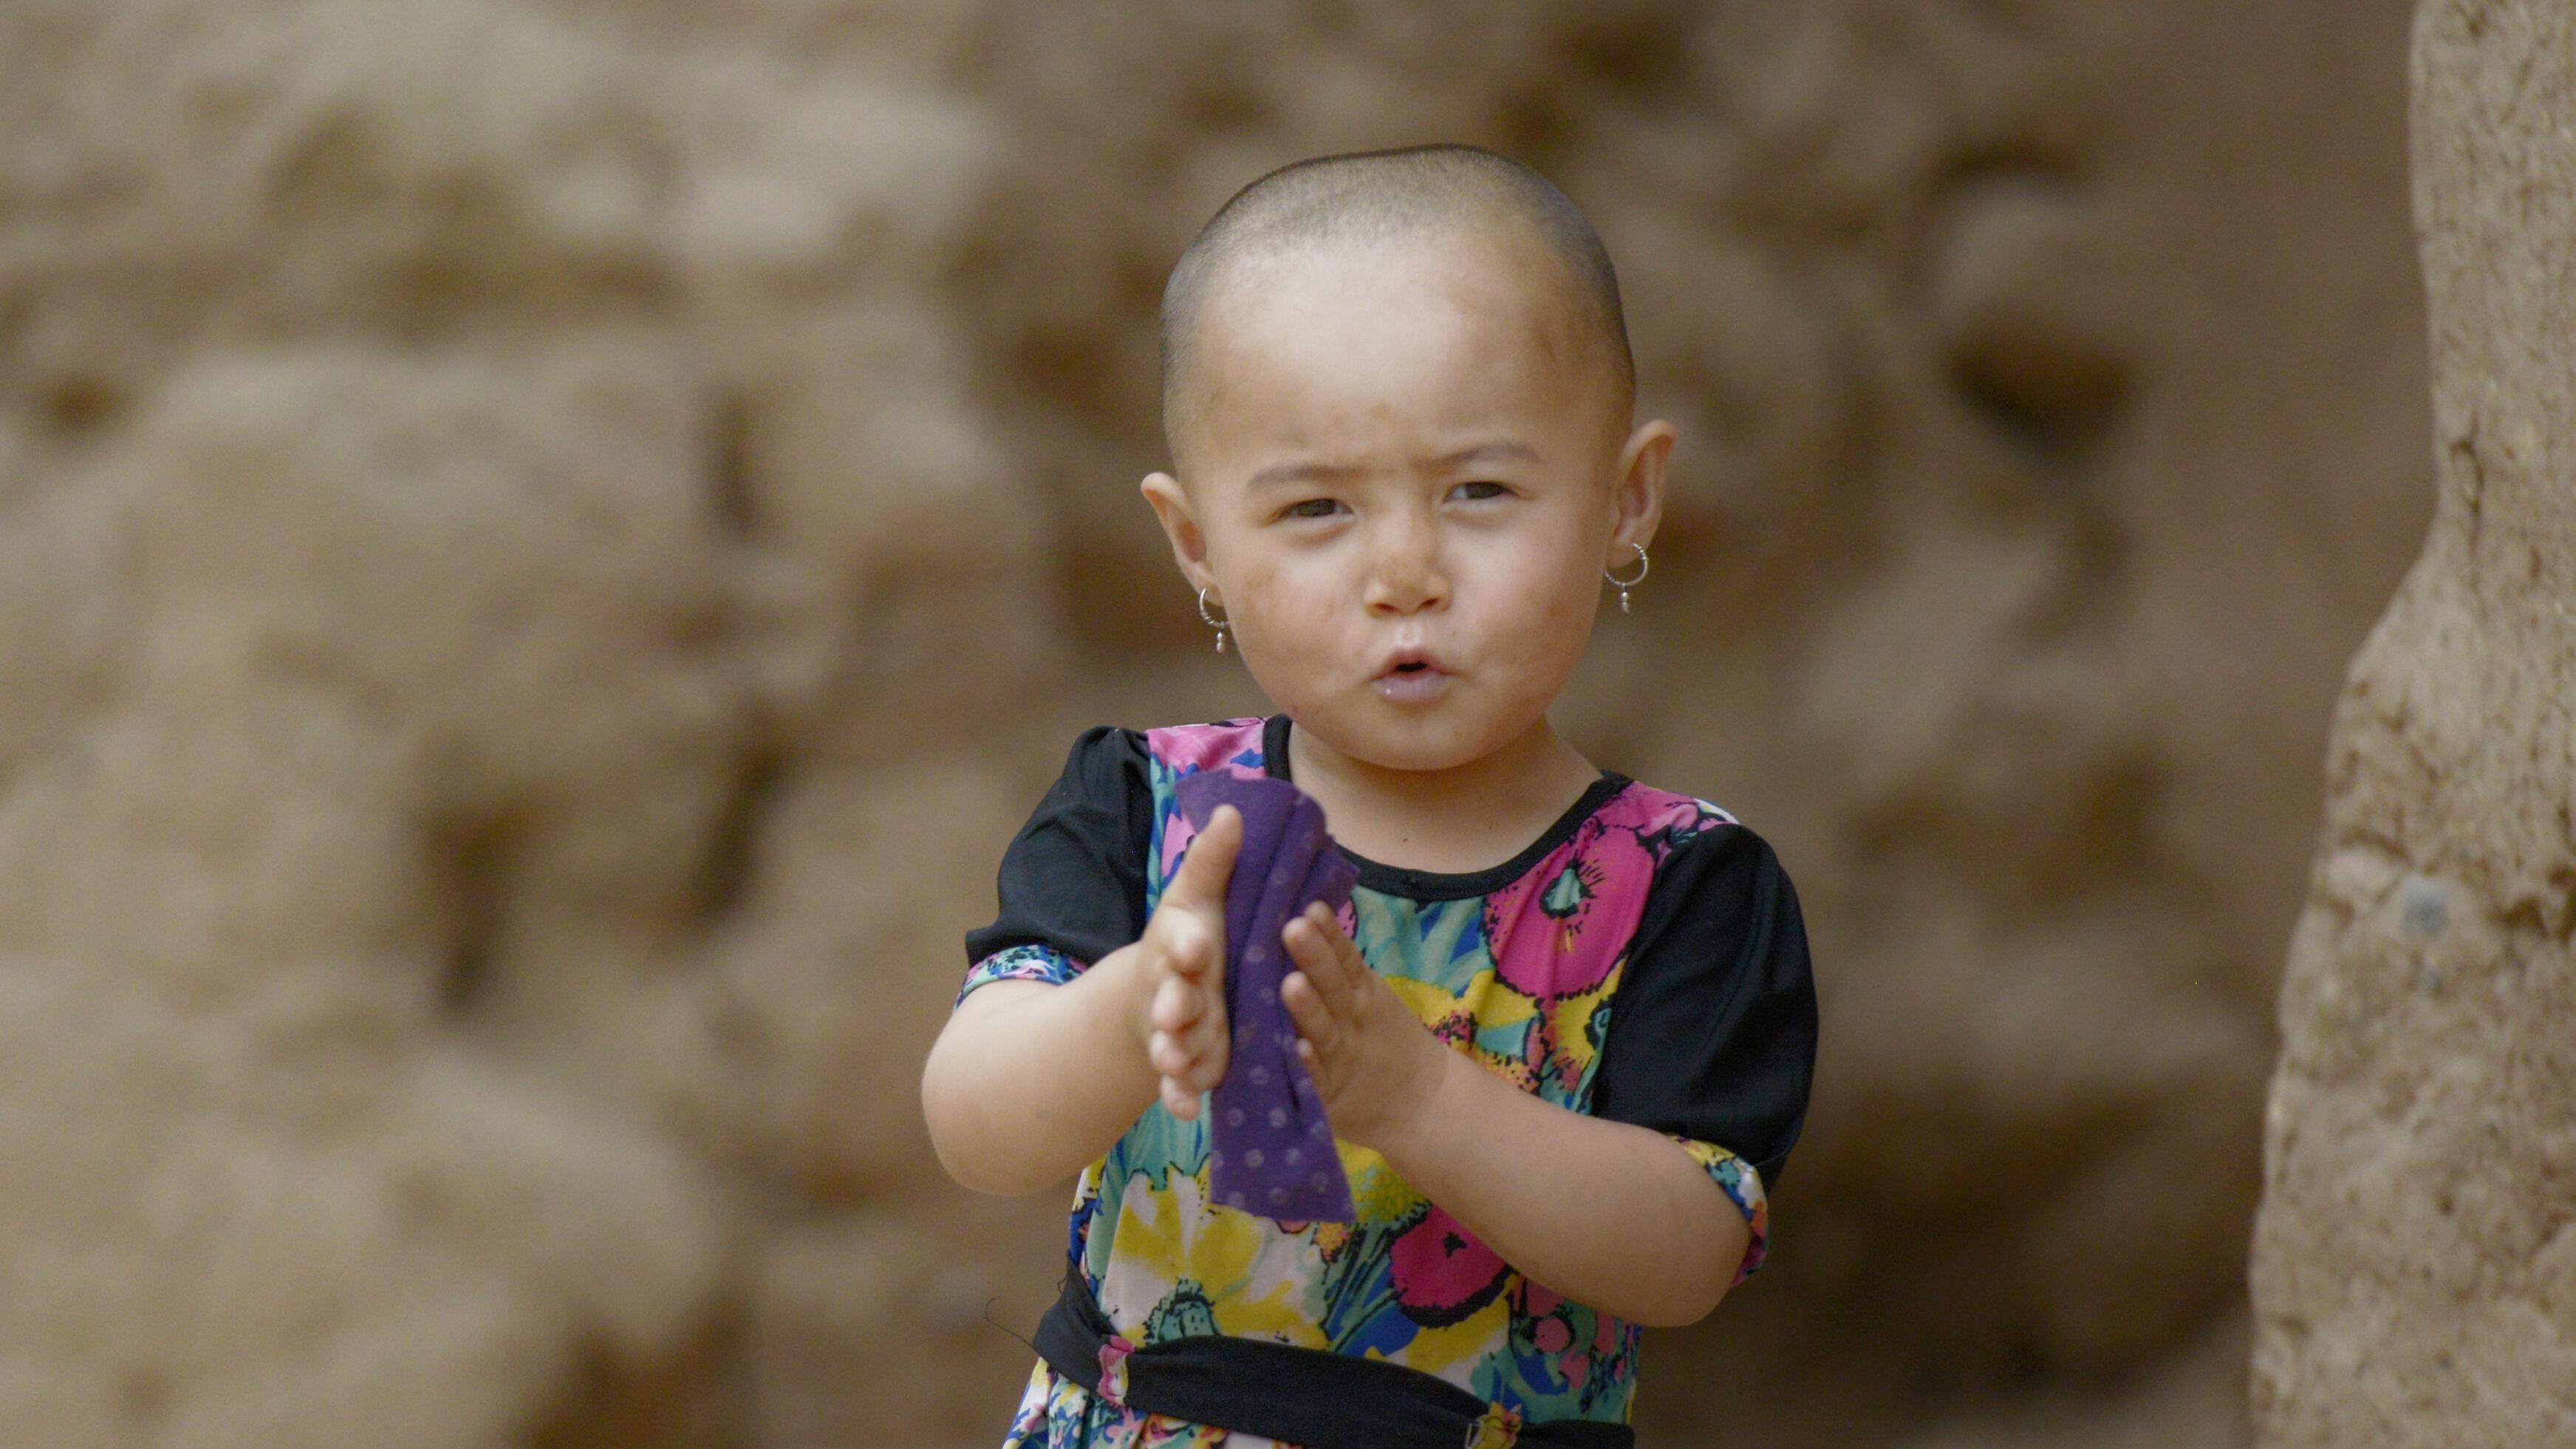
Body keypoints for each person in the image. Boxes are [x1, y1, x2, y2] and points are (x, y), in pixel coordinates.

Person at [920, 143, 1818, 1449]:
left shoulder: (1680, 885)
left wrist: (1414, 1096)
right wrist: (1136, 1002)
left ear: (1626, 500)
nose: (1405, 572)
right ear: (1197, 545)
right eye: (1316, 509)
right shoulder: (1146, 806)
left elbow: (1688, 1252)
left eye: (1479, 491)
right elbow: (974, 1124)